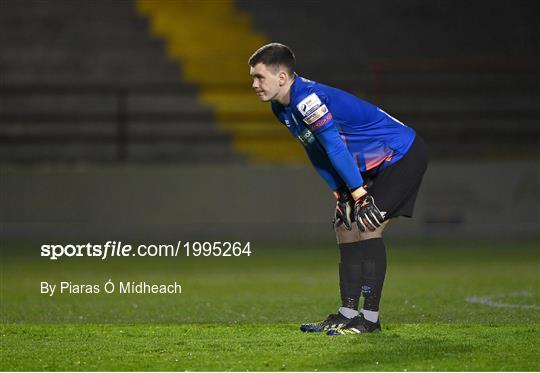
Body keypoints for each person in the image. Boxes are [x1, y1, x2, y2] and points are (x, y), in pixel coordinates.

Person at [248, 43, 428, 335]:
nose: (254, 84)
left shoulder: (307, 100)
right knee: (345, 226)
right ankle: (347, 313)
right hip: (374, 163)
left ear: (282, 77)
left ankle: (369, 320)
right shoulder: (280, 107)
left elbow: (334, 145)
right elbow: (314, 149)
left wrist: (358, 193)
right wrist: (340, 192)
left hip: (402, 154)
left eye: (259, 77)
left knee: (368, 224)